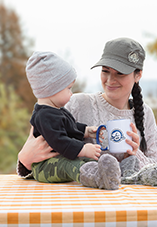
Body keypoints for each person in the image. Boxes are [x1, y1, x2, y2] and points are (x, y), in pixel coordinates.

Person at [17, 38, 157, 181]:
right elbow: (37, 145)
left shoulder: (146, 114)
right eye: (105, 71)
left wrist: (134, 154)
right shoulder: (76, 103)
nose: (110, 80)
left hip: (128, 201)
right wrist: (24, 159)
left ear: (138, 75)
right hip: (82, 201)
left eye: (120, 73)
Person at [23, 51, 121, 190]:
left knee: (88, 161)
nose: (71, 93)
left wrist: (87, 131)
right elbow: (59, 140)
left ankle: (116, 172)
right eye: (68, 88)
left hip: (57, 161)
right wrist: (83, 149)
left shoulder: (56, 110)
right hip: (44, 166)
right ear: (51, 89)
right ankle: (98, 178)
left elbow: (70, 127)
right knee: (71, 164)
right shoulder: (44, 116)